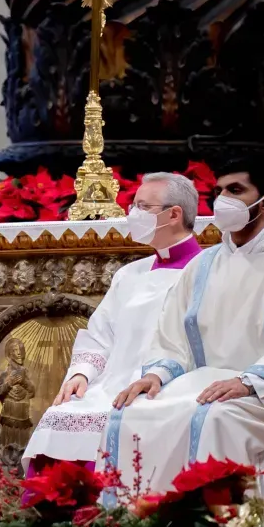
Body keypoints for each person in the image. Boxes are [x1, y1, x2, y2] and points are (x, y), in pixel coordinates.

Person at [107, 160, 264, 497]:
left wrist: (248, 381)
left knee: (215, 420)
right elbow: (172, 335)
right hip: (206, 388)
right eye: (219, 191)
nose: (222, 199)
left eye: (235, 190)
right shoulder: (202, 266)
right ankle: (144, 524)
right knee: (131, 414)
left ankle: (227, 525)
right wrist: (156, 375)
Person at [24, 171, 204, 466]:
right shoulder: (130, 274)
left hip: (166, 386)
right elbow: (99, 336)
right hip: (110, 384)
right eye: (134, 205)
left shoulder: (205, 271)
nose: (133, 213)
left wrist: (158, 376)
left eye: (144, 207)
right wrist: (81, 374)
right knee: (60, 417)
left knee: (126, 422)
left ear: (174, 214)